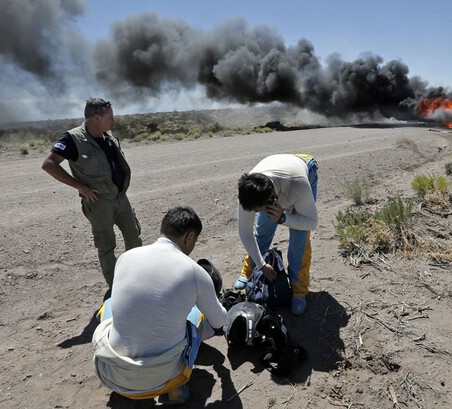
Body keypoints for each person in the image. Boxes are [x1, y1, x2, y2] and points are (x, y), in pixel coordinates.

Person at [92, 206, 227, 405]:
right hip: (162, 379)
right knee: (197, 315)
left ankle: (128, 382)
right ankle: (175, 389)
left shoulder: (125, 258)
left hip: (113, 375)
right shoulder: (194, 271)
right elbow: (220, 321)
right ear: (189, 237)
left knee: (110, 304)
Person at [42, 98, 142, 292]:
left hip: (120, 198)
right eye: (110, 116)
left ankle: (137, 279)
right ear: (97, 117)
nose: (113, 120)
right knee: (107, 246)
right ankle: (117, 290)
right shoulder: (73, 139)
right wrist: (79, 186)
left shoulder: (108, 136)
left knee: (134, 239)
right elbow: (48, 164)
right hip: (98, 202)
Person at [234, 154, 319, 316]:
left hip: (303, 170)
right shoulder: (248, 191)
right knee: (262, 233)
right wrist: (261, 264)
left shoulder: (298, 186)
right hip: (281, 167)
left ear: (270, 199)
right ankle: (248, 271)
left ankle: (299, 291)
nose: (256, 212)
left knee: (299, 240)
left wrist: (283, 218)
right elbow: (245, 232)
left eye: (259, 209)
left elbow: (311, 222)